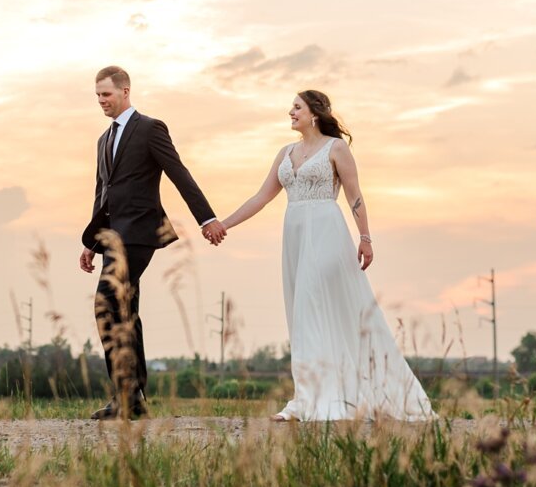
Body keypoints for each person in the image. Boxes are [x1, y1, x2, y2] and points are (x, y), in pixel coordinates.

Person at [217, 90, 435, 422]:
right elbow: (261, 197)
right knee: (300, 312)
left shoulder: (336, 148)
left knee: (308, 305)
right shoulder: (285, 153)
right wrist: (224, 224)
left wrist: (365, 238)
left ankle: (312, 399)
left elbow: (355, 196)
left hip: (326, 234)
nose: (290, 111)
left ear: (314, 113)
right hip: (294, 237)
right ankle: (310, 394)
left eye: (296, 107)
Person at [81, 65, 227, 420]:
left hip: (141, 233)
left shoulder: (149, 129)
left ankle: (130, 395)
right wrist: (91, 241)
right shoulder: (103, 140)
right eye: (97, 95)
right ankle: (129, 397)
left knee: (107, 300)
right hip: (112, 236)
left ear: (125, 91)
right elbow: (103, 192)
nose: (101, 100)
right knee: (123, 310)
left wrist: (207, 218)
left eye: (107, 94)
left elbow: (179, 172)